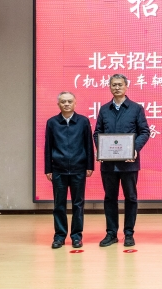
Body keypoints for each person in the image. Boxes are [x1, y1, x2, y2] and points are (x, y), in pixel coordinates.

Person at [93, 74, 150, 247]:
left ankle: (129, 233)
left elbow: (144, 132)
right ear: (110, 87)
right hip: (108, 164)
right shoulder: (104, 109)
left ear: (126, 86)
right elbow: (97, 133)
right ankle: (111, 233)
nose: (117, 87)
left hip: (129, 164)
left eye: (120, 84)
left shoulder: (136, 108)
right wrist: (101, 149)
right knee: (110, 198)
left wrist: (134, 149)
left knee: (130, 198)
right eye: (113, 85)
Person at [44, 92, 94, 249]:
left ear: (75, 103)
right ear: (58, 104)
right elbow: (48, 146)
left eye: (69, 101)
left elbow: (89, 145)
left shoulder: (83, 121)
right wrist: (48, 168)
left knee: (78, 204)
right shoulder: (52, 122)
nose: (66, 104)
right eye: (63, 101)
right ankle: (59, 236)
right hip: (58, 170)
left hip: (79, 169)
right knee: (59, 205)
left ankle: (76, 236)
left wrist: (90, 166)